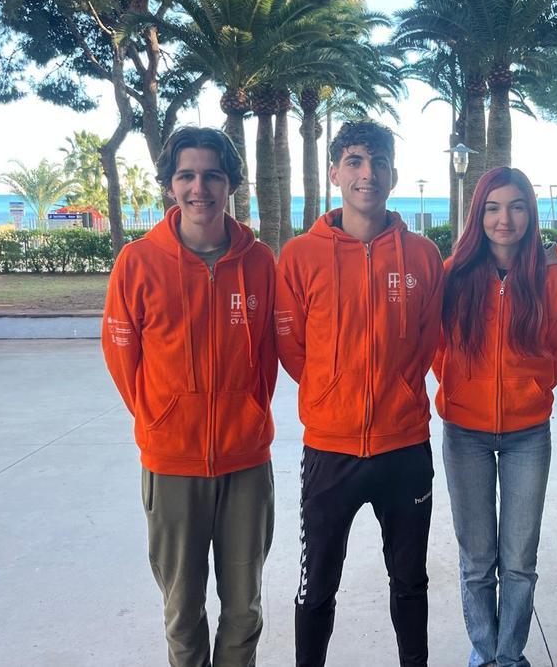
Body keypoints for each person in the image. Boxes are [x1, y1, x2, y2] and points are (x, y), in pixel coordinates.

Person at [101, 126, 278, 667]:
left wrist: (245, 412)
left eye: (212, 175)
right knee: (182, 610)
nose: (199, 187)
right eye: (186, 175)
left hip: (246, 462)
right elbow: (122, 358)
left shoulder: (260, 262)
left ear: (230, 185)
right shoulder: (137, 261)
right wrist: (162, 417)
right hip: (171, 463)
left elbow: (269, 356)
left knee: (243, 610)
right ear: (170, 185)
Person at [274, 120, 444, 667]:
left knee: (410, 582)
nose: (366, 173)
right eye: (353, 161)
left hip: (403, 448)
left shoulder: (421, 255)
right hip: (330, 449)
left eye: (377, 162)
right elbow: (293, 346)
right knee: (317, 584)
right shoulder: (300, 256)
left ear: (393, 172)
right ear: (334, 171)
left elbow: (428, 340)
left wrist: (394, 388)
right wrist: (331, 391)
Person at [434, 167, 557, 667]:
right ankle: (483, 652)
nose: (505, 218)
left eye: (517, 206)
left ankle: (510, 655)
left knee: (519, 560)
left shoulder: (550, 277)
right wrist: (461, 387)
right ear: (479, 214)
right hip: (465, 434)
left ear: (530, 214)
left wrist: (533, 388)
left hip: (526, 435)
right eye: (493, 207)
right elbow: (438, 346)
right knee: (477, 561)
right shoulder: (453, 273)